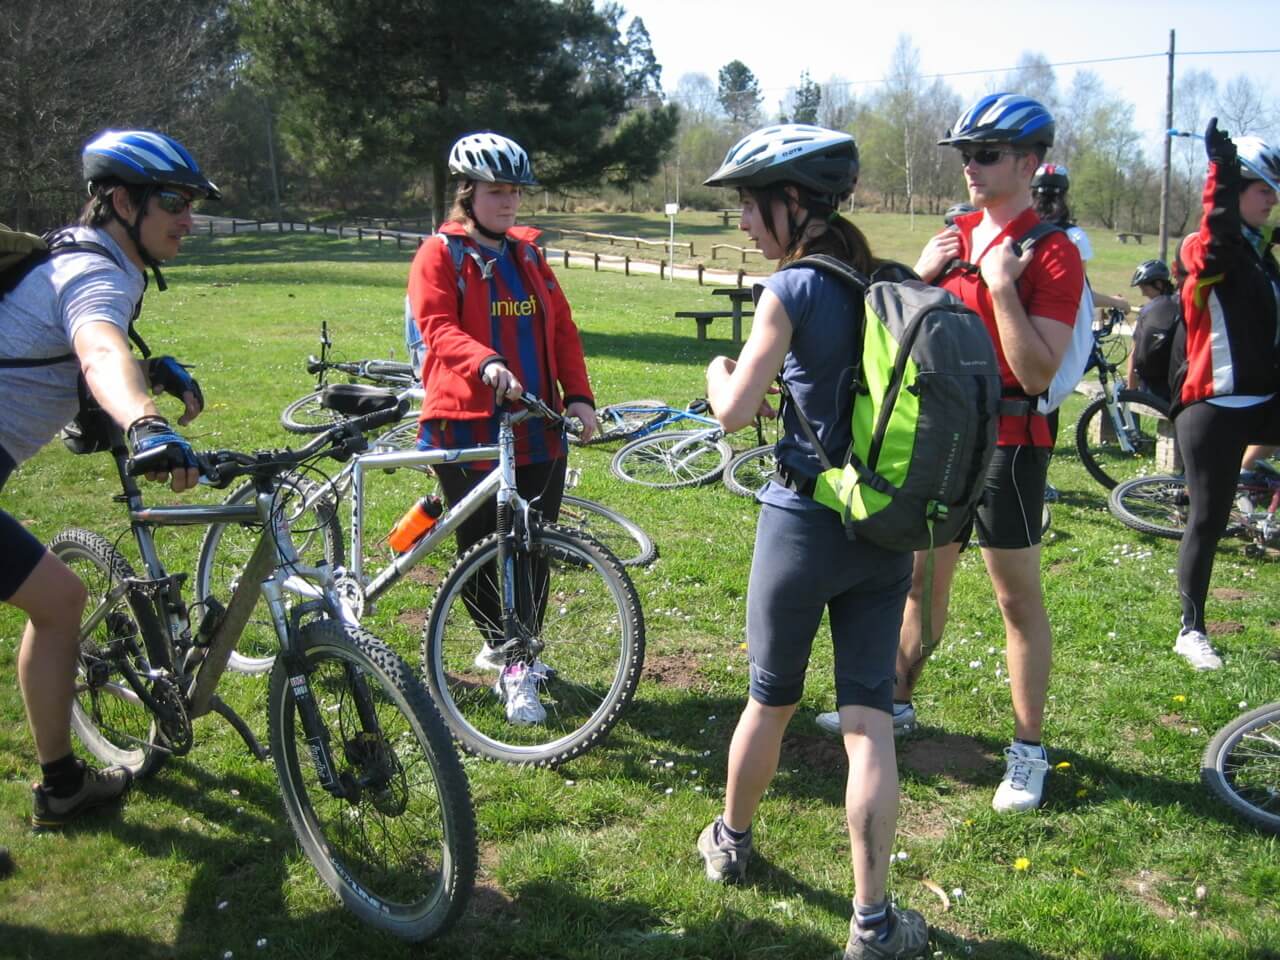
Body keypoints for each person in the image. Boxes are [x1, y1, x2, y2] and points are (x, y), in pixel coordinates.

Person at [696, 124, 928, 960]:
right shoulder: (884, 279)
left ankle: (731, 841)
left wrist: (718, 371)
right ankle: (873, 924)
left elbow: (735, 412)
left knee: (771, 698)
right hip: (882, 528)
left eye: (750, 208)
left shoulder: (790, 289)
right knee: (869, 723)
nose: (745, 226)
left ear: (791, 202)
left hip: (800, 525)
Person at [871, 94, 1085, 814]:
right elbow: (901, 334)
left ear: (1028, 163)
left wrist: (1000, 289)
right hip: (942, 442)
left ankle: (1027, 752)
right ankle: (895, 702)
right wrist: (914, 279)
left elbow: (1035, 373)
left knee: (1013, 598)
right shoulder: (952, 234)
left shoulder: (1050, 251)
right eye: (965, 153)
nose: (971, 165)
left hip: (1012, 448)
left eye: (986, 153)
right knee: (920, 583)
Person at [0, 129, 214, 833]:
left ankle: (62, 788)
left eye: (191, 203)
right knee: (60, 599)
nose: (188, 217)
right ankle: (61, 788)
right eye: (174, 201)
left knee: (60, 600)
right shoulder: (95, 273)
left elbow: (90, 350)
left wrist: (151, 370)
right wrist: (146, 422)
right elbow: (95, 348)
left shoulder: (84, 259)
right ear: (121, 201)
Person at [405, 131, 598, 724]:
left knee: (535, 543)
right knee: (482, 549)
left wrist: (581, 398)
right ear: (467, 193)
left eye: (514, 191)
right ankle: (506, 656)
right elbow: (435, 326)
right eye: (496, 191)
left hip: (536, 423)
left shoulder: (529, 255)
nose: (509, 201)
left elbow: (562, 328)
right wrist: (484, 361)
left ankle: (524, 651)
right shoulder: (441, 254)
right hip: (465, 425)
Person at [1166, 121, 1280, 670]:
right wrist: (1220, 171)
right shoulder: (1206, 249)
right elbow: (1214, 246)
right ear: (1237, 191)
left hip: (1262, 400)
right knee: (1206, 522)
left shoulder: (1261, 256)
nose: (1273, 201)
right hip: (1212, 406)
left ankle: (1264, 498)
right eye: (1264, 190)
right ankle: (1192, 631)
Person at [1031, 162, 1130, 316]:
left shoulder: (1021, 232)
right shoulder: (1074, 237)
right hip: (1065, 329)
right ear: (1064, 196)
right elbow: (1081, 293)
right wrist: (1116, 302)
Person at [1125, 259, 1178, 402]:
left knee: (1116, 395)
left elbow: (1134, 354)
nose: (1143, 294)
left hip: (1150, 388)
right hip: (1176, 387)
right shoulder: (1183, 306)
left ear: (1159, 284)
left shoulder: (1148, 311)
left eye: (1144, 288)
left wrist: (1131, 390)